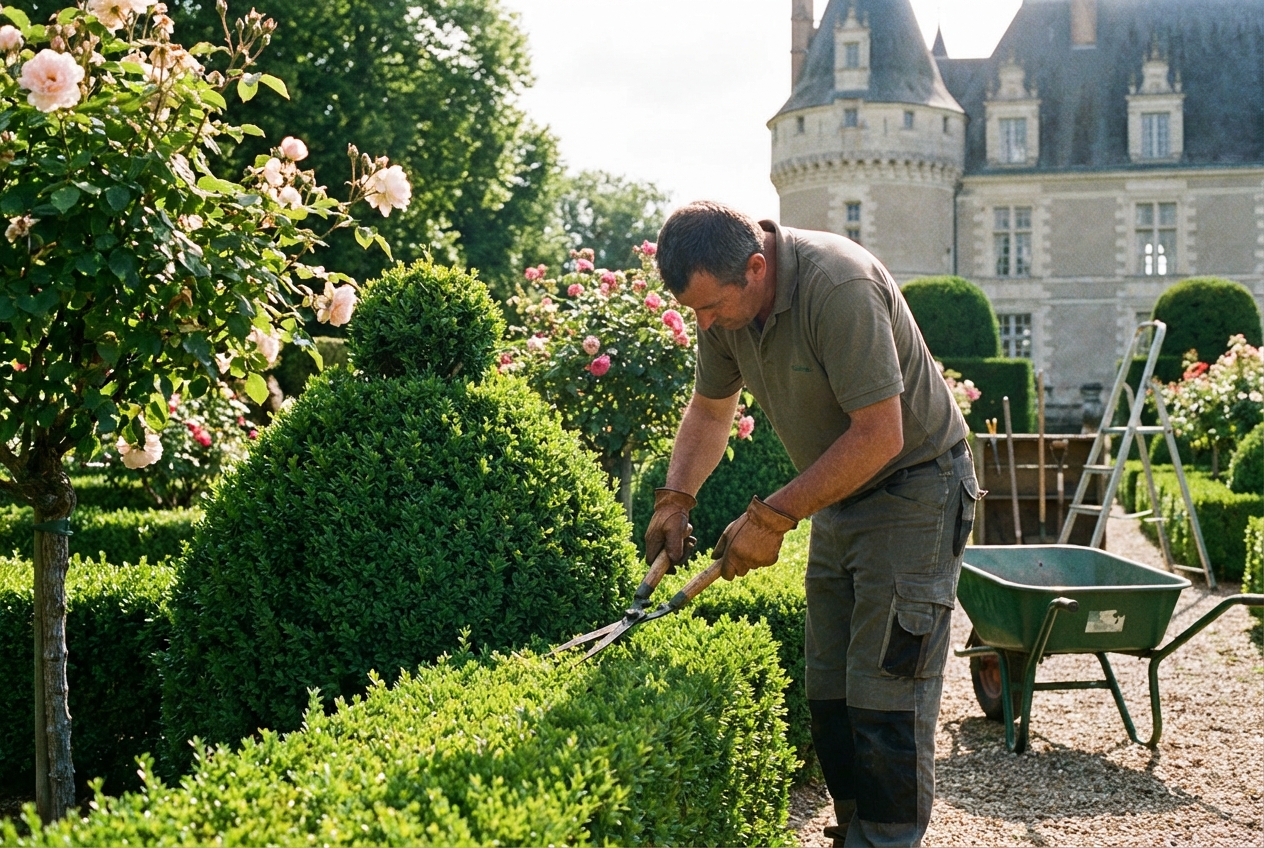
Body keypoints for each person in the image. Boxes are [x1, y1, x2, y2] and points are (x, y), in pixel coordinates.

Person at [644, 201, 979, 848]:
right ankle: (856, 827)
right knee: (829, 687)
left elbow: (881, 435)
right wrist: (674, 498)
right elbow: (711, 412)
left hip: (916, 485)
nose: (705, 324)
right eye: (695, 311)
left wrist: (770, 518)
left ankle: (885, 840)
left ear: (757, 267)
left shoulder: (839, 285)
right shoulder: (723, 307)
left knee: (886, 687)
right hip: (843, 491)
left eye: (712, 307)